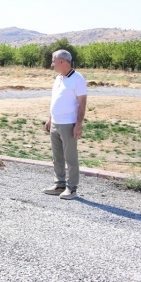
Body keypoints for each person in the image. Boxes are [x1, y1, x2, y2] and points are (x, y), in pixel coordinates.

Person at [43, 49, 87, 200]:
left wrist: (78, 124)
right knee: (57, 157)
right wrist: (50, 118)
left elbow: (82, 104)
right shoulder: (58, 79)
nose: (52, 64)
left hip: (68, 124)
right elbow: (55, 100)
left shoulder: (78, 79)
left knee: (71, 158)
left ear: (62, 61)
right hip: (55, 123)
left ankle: (72, 188)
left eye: (53, 61)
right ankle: (59, 184)